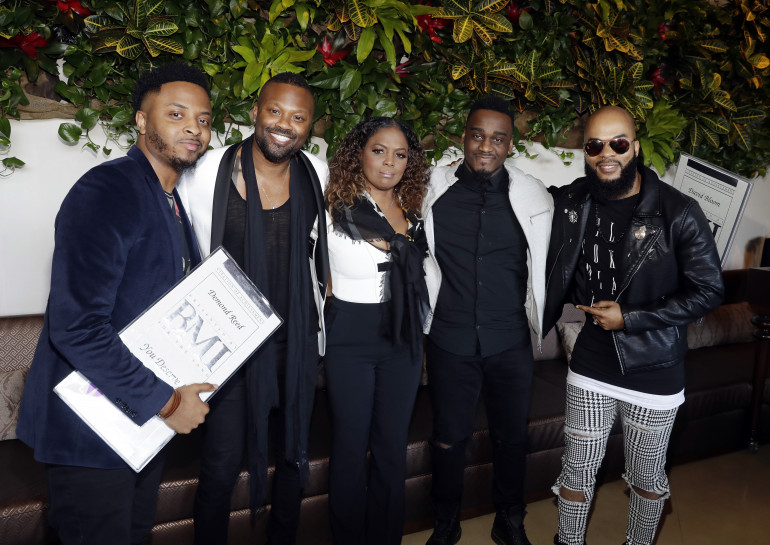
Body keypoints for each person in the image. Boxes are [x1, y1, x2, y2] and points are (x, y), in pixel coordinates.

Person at [16, 63, 215, 545]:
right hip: (89, 431)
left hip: (137, 429)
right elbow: (77, 327)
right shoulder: (108, 189)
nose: (194, 127)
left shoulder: (169, 200)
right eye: (176, 114)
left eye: (204, 119)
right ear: (142, 121)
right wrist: (168, 402)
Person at [542, 105, 724, 545]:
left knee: (646, 478)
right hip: (590, 362)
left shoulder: (678, 212)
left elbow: (709, 291)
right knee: (576, 470)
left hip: (654, 367)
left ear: (635, 148)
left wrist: (630, 318)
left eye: (618, 143)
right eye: (595, 145)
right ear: (586, 153)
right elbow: (525, 197)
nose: (607, 153)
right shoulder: (575, 200)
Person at [178, 72, 328, 545]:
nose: (284, 124)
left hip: (295, 342)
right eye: (275, 111)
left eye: (298, 117)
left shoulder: (316, 173)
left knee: (293, 457)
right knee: (221, 467)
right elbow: (183, 249)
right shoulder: (209, 171)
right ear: (255, 113)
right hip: (227, 346)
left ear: (309, 126)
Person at [422, 96, 553, 545]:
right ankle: (445, 522)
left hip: (509, 340)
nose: (486, 146)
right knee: (447, 440)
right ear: (463, 137)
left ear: (509, 145)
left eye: (497, 139)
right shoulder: (432, 190)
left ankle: (509, 520)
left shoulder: (533, 196)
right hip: (449, 338)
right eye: (478, 135)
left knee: (512, 439)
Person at [324, 117, 430, 545]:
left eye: (400, 154)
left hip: (404, 337)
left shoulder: (415, 209)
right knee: (350, 447)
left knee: (391, 447)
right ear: (359, 154)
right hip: (350, 335)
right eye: (379, 151)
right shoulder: (332, 208)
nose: (389, 162)